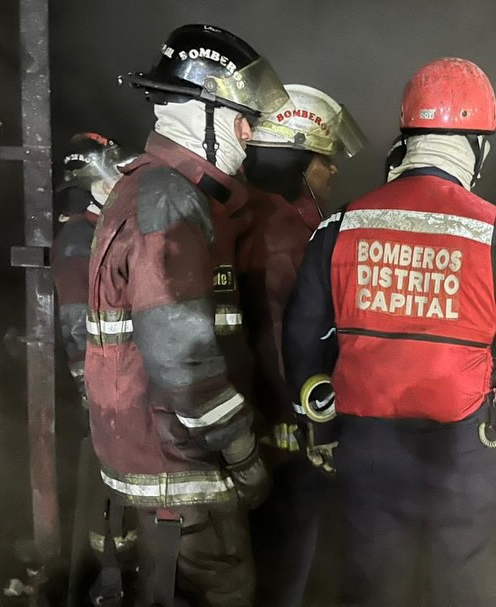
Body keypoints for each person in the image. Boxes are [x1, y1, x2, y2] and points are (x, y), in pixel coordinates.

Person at [282, 57, 496, 607]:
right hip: (468, 453)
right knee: (467, 586)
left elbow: (302, 338)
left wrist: (321, 430)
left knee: (373, 582)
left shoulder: (342, 224)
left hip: (368, 448)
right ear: (477, 144)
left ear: (406, 136)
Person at [84, 24, 290, 607]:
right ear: (203, 113)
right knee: (224, 589)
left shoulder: (147, 187)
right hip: (179, 461)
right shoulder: (170, 198)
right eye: (241, 118)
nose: (249, 136)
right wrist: (243, 453)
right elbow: (183, 355)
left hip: (155, 451)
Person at [237, 83, 366, 606]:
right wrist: (306, 415)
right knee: (287, 556)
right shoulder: (286, 233)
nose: (333, 171)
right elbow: (281, 331)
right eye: (323, 161)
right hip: (287, 430)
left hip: (264, 423)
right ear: (294, 160)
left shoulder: (262, 217)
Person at [51, 132, 138, 601]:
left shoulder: (96, 231)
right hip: (101, 384)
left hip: (111, 379)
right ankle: (109, 576)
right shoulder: (80, 239)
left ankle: (117, 565)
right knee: (107, 485)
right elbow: (74, 319)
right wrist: (94, 381)